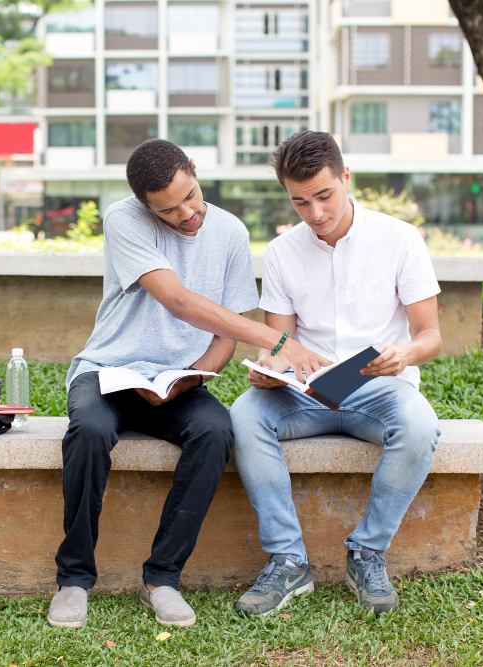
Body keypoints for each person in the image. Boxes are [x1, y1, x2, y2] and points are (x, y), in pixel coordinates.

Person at [46, 139, 331, 629]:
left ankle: (162, 579)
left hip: (177, 380)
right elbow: (178, 301)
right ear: (144, 204)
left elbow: (225, 330)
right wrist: (280, 340)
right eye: (168, 209)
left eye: (190, 196)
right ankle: (73, 580)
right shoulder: (124, 219)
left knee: (217, 432)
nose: (186, 213)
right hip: (108, 370)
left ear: (195, 171)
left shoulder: (230, 232)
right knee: (89, 432)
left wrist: (195, 376)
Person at [230, 131, 443, 616]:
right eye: (300, 201)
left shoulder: (399, 238)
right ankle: (287, 559)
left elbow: (430, 334)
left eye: (324, 195)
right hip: (307, 394)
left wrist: (404, 354)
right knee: (244, 414)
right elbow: (280, 345)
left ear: (346, 178)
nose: (315, 213)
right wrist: (270, 369)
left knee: (419, 424)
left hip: (378, 389)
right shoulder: (283, 253)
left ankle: (367, 553)